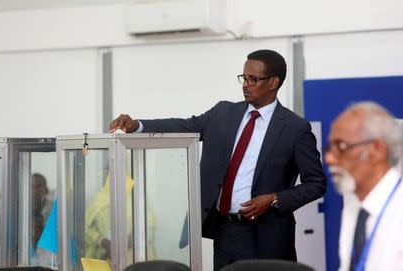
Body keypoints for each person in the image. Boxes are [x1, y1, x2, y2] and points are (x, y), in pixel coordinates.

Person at [110, 49, 326, 270]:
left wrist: (272, 199)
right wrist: (138, 125)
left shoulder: (295, 128)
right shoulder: (223, 113)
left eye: (253, 79)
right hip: (225, 231)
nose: (245, 84)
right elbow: (184, 126)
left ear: (273, 82)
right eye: (244, 77)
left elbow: (316, 184)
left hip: (268, 236)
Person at [324, 102, 403, 271]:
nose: (330, 159)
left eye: (341, 147)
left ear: (377, 150)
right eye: (329, 149)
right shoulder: (354, 208)